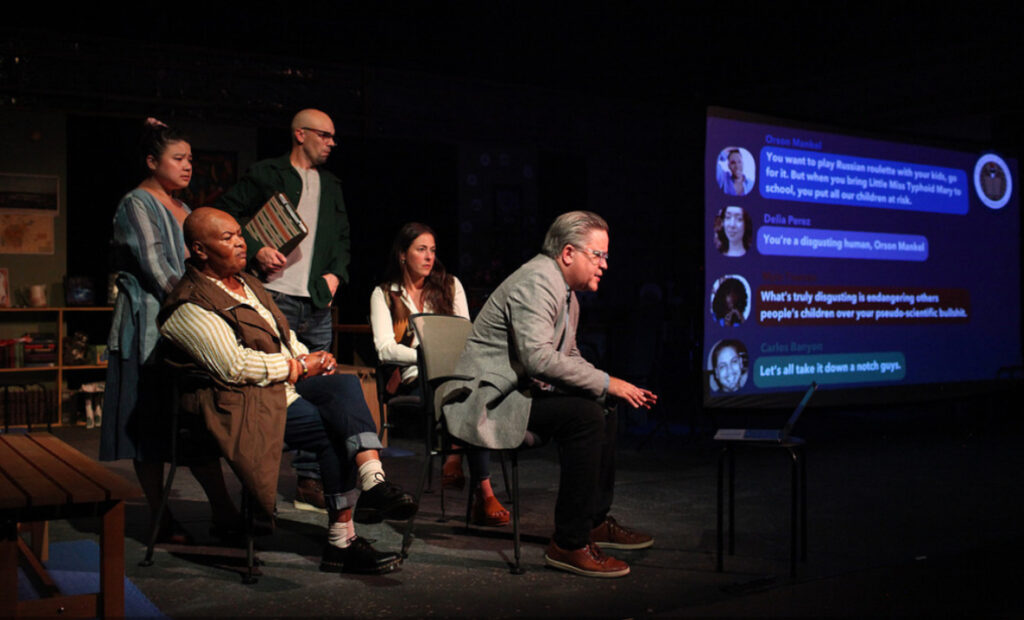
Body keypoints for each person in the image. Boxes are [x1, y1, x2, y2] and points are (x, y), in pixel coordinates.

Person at [158, 207, 418, 574]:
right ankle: (342, 541)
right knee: (334, 428)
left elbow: (283, 336)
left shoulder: (248, 284)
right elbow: (234, 367)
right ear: (199, 250)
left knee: (343, 383)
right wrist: (298, 367)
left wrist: (311, 357)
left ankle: (373, 481)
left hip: (276, 387)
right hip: (233, 401)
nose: (241, 243)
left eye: (239, 234)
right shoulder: (188, 304)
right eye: (228, 238)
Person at [439, 211, 657, 578]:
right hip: (487, 401)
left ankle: (592, 521)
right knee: (586, 416)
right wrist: (607, 382)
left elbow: (568, 355)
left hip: (517, 393)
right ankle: (569, 543)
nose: (604, 265)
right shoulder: (538, 281)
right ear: (568, 253)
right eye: (598, 255)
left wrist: (610, 386)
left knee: (603, 405)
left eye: (605, 256)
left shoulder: (567, 293)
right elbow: (538, 358)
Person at [99, 118, 239, 544]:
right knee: (149, 427)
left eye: (190, 158)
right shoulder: (137, 204)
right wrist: (202, 306)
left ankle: (223, 510)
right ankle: (161, 514)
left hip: (188, 324)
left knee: (195, 421)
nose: (188, 165)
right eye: (178, 158)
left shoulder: (187, 209)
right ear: (151, 161)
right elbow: (157, 268)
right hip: (149, 326)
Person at [217, 108, 350, 511]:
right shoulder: (267, 173)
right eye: (325, 135)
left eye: (333, 136)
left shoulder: (332, 185)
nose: (331, 143)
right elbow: (227, 214)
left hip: (317, 300)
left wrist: (336, 275)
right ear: (300, 134)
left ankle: (309, 481)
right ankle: (258, 485)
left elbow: (342, 238)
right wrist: (257, 249)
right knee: (270, 390)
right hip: (274, 297)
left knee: (318, 386)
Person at [369, 222, 509, 526]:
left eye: (432, 250)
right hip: (414, 378)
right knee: (464, 395)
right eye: (421, 249)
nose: (429, 256)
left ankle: (457, 457)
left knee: (471, 391)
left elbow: (465, 337)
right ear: (403, 254)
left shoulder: (450, 285)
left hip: (456, 373)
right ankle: (481, 490)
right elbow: (384, 349)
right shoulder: (384, 294)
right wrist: (427, 357)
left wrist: (445, 357)